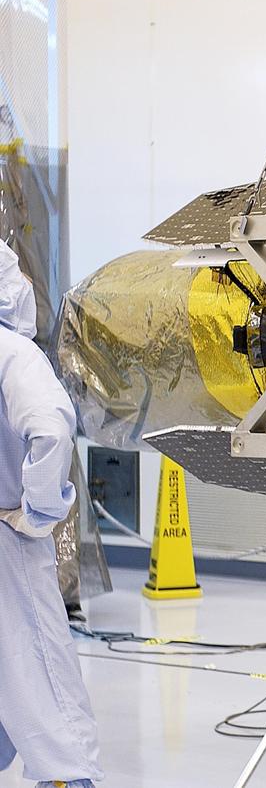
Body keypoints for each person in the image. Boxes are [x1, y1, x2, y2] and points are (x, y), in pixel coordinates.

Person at [0, 242, 103, 788]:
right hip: (8, 541)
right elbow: (52, 427)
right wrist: (40, 513)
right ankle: (67, 778)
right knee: (40, 662)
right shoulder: (13, 354)